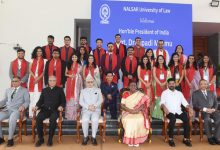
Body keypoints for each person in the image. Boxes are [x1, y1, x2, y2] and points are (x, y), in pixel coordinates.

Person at [33, 76, 66, 147]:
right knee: (38, 118)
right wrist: (36, 106)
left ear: (56, 81)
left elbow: (63, 102)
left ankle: (50, 139)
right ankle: (40, 138)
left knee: (52, 119)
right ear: (48, 81)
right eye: (50, 80)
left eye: (53, 80)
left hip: (55, 110)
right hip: (45, 110)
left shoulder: (60, 90)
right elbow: (40, 101)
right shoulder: (44, 90)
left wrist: (61, 106)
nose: (52, 82)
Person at [160, 78, 193, 147]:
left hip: (178, 111)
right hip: (169, 112)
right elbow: (162, 103)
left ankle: (186, 139)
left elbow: (185, 103)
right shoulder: (164, 93)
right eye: (170, 84)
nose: (171, 85)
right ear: (167, 84)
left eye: (173, 83)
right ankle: (171, 139)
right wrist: (164, 107)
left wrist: (189, 108)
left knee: (186, 119)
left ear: (175, 84)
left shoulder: (179, 93)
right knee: (172, 119)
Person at [0, 77, 30, 147]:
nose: (13, 82)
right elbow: (5, 100)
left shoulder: (24, 90)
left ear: (20, 82)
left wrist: (23, 106)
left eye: (16, 81)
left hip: (17, 110)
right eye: (12, 81)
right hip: (7, 110)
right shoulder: (8, 90)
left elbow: (27, 101)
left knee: (12, 118)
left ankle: (10, 139)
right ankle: (1, 138)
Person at [121, 81, 150, 147]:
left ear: (136, 87)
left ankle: (137, 140)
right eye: (131, 85)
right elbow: (122, 105)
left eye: (134, 85)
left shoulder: (139, 94)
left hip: (138, 111)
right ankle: (130, 141)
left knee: (140, 119)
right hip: (127, 111)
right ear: (128, 87)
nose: (133, 86)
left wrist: (137, 110)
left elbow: (143, 104)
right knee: (129, 120)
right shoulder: (125, 94)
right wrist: (130, 110)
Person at [192, 79, 220, 145]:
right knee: (207, 119)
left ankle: (216, 137)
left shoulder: (211, 92)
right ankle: (210, 137)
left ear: (207, 85)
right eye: (202, 84)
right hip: (202, 112)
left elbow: (216, 103)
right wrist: (205, 109)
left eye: (205, 84)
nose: (204, 85)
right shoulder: (195, 93)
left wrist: (213, 109)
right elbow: (195, 105)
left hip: (212, 111)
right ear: (199, 85)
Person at [79, 74, 103, 146]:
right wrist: (88, 107)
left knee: (95, 119)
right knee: (85, 119)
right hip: (86, 110)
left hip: (96, 110)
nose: (90, 83)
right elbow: (81, 102)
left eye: (91, 82)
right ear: (86, 83)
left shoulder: (98, 90)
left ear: (93, 82)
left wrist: (94, 106)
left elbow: (101, 100)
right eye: (88, 82)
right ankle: (86, 137)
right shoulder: (83, 91)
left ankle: (93, 137)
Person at [28, 46, 47, 117]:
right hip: (32, 79)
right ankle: (31, 114)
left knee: (38, 97)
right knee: (32, 96)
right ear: (35, 52)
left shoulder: (45, 60)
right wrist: (34, 77)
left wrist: (38, 78)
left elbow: (44, 71)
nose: (39, 52)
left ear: (42, 52)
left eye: (40, 51)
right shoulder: (32, 60)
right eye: (37, 51)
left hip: (40, 79)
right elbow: (29, 70)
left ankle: (37, 114)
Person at [65, 53, 83, 120]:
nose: (74, 58)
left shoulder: (79, 65)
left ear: (77, 58)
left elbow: (80, 74)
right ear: (71, 58)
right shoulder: (69, 64)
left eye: (75, 57)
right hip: (70, 81)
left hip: (77, 82)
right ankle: (69, 116)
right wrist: (70, 76)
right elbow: (65, 73)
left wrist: (77, 78)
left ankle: (76, 115)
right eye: (73, 57)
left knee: (76, 96)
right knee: (70, 98)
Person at [152, 55, 170, 120]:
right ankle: (157, 115)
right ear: (157, 60)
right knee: (158, 99)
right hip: (157, 84)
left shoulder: (167, 67)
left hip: (165, 85)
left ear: (164, 60)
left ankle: (163, 114)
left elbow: (168, 76)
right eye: (159, 59)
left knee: (164, 99)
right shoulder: (155, 67)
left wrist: (164, 83)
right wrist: (160, 83)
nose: (160, 60)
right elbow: (154, 75)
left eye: (162, 59)